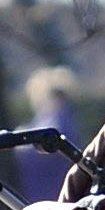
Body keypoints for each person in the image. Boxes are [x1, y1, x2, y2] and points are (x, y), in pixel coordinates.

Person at [11, 67, 83, 202]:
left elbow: (33, 150)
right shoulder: (48, 119)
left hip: (48, 191)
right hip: (41, 189)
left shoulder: (60, 122)